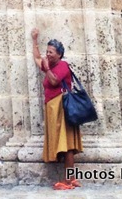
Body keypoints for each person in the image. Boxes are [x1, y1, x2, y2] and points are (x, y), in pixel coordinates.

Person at [31, 28, 83, 190]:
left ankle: (68, 182)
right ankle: (71, 179)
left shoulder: (62, 66)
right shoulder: (49, 64)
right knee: (63, 144)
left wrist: (46, 69)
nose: (48, 54)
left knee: (66, 145)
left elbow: (54, 82)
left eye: (51, 52)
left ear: (59, 54)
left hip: (62, 108)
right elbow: (37, 58)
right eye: (47, 51)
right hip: (53, 109)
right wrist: (34, 41)